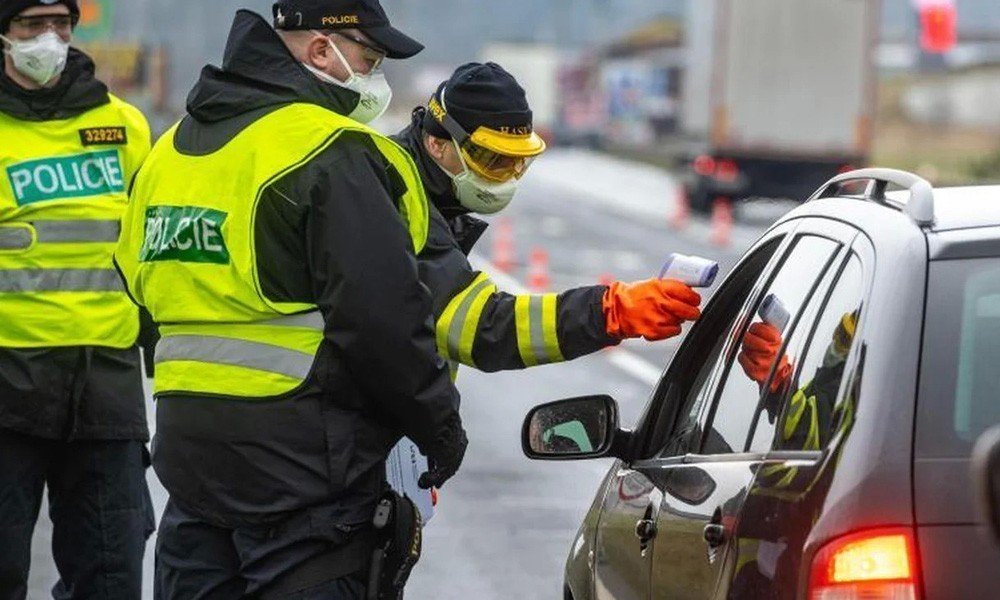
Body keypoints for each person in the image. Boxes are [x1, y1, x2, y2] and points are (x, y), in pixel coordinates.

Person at [113, 1, 467, 598]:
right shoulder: (334, 151)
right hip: (306, 479)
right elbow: (383, 322)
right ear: (320, 51)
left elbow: (136, 285)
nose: (375, 77)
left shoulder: (168, 152)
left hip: (190, 465)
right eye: (370, 58)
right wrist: (439, 427)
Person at [392, 63, 703, 377]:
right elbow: (477, 326)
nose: (507, 178)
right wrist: (607, 312)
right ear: (437, 143)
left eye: (517, 164)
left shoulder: (427, 188)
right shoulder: (392, 191)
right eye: (493, 161)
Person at [0, 1, 154, 597]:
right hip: (8, 382)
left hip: (105, 387)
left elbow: (152, 249)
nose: (49, 37)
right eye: (30, 24)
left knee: (111, 578)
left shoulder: (125, 126)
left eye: (60, 22)